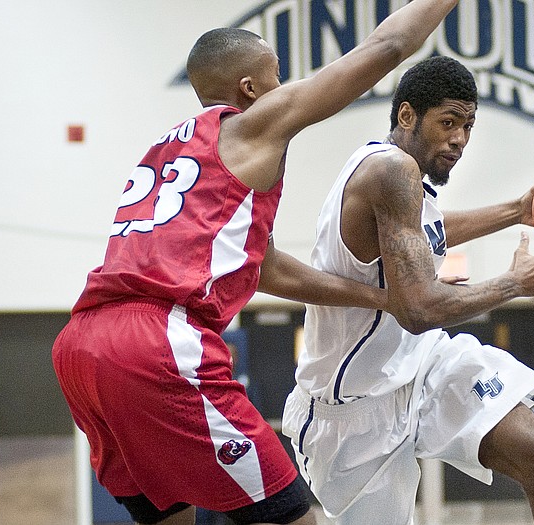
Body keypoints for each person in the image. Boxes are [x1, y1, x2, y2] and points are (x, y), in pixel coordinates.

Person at [51, 3, 462, 524]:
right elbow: (387, 48)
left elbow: (266, 269)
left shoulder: (168, 153)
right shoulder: (247, 128)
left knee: (170, 513)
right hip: (160, 341)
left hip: (83, 347)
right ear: (250, 89)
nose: (285, 88)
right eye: (277, 78)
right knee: (292, 517)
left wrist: (377, 297)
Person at [281, 56, 534, 525]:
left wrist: (516, 210)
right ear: (406, 115)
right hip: (351, 414)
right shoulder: (390, 173)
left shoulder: (405, 180)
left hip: (423, 366)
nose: (460, 139)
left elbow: (429, 229)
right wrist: (517, 282)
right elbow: (420, 308)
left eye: (468, 125)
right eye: (448, 122)